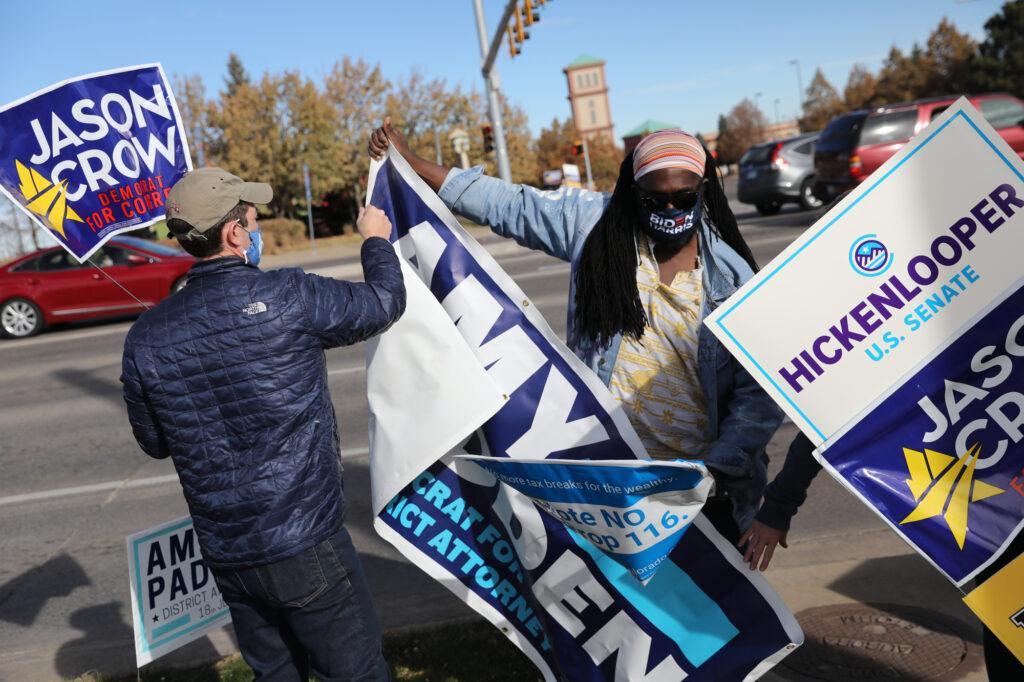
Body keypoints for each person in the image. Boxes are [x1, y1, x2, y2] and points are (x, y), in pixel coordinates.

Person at [369, 121, 783, 542]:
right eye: (655, 199)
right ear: (633, 192)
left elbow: (758, 394)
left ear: (705, 188)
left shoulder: (734, 278)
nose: (672, 210)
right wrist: (414, 163)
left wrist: (718, 467)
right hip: (609, 486)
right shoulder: (598, 227)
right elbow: (511, 205)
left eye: (685, 198)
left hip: (697, 495)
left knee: (703, 605)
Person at [120, 167, 404, 681]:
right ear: (233, 234)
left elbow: (154, 441)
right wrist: (376, 241)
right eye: (253, 220)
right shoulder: (288, 295)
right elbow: (383, 303)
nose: (258, 231)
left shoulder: (144, 336)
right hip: (305, 543)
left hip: (230, 556)